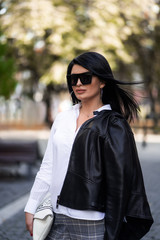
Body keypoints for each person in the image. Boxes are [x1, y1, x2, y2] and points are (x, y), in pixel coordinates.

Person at [25, 52, 153, 240]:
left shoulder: (114, 125)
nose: (78, 84)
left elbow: (120, 182)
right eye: (73, 79)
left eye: (85, 78)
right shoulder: (63, 118)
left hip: (92, 222)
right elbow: (48, 167)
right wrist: (31, 206)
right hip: (55, 218)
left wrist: (113, 228)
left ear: (102, 82)